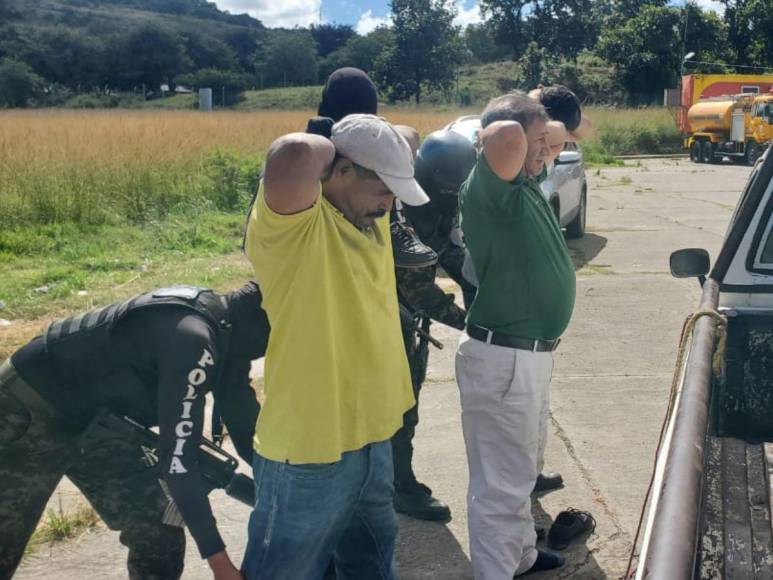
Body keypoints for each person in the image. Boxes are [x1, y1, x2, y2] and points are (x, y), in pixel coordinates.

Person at [241, 114, 429, 580]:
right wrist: (336, 142)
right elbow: (294, 152)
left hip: (373, 433)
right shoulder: (295, 229)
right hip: (311, 450)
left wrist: (373, 149)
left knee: (371, 560)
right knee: (283, 572)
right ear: (340, 173)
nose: (390, 205)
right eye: (383, 189)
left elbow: (407, 135)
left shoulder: (368, 214)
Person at [0, 283, 269, 580]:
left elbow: (249, 432)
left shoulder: (230, 335)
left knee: (157, 529)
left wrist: (291, 498)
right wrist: (221, 565)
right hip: (29, 405)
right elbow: (178, 463)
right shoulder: (193, 338)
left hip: (100, 423)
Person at [456, 91, 576, 578]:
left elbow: (562, 131)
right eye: (539, 142)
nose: (548, 151)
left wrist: (541, 134)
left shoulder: (526, 180)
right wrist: (519, 120)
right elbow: (504, 132)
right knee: (499, 485)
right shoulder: (490, 187)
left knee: (518, 472)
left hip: (526, 356)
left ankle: (520, 555)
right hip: (504, 356)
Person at [391, 130, 478, 521]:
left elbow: (447, 249)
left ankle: (397, 479)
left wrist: (481, 286)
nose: (452, 193)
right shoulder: (402, 208)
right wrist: (471, 323)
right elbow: (418, 291)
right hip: (389, 322)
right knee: (398, 407)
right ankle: (398, 487)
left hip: (409, 324)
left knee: (408, 403)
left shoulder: (438, 203)